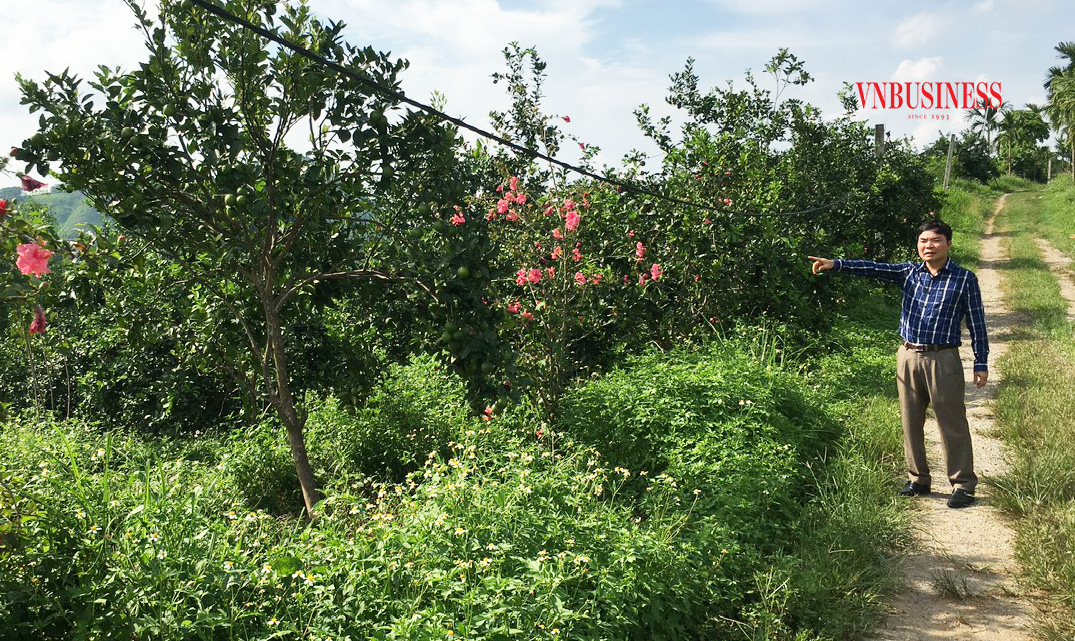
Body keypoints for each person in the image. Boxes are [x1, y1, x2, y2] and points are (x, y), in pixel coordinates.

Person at [808, 219, 988, 509]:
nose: (929, 246)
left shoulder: (964, 279)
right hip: (907, 355)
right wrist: (836, 264)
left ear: (948, 244)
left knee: (951, 421)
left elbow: (977, 323)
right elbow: (873, 268)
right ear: (918, 246)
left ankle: (963, 484)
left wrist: (981, 361)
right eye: (923, 241)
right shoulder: (908, 272)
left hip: (943, 357)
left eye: (935, 240)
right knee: (910, 419)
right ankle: (918, 479)